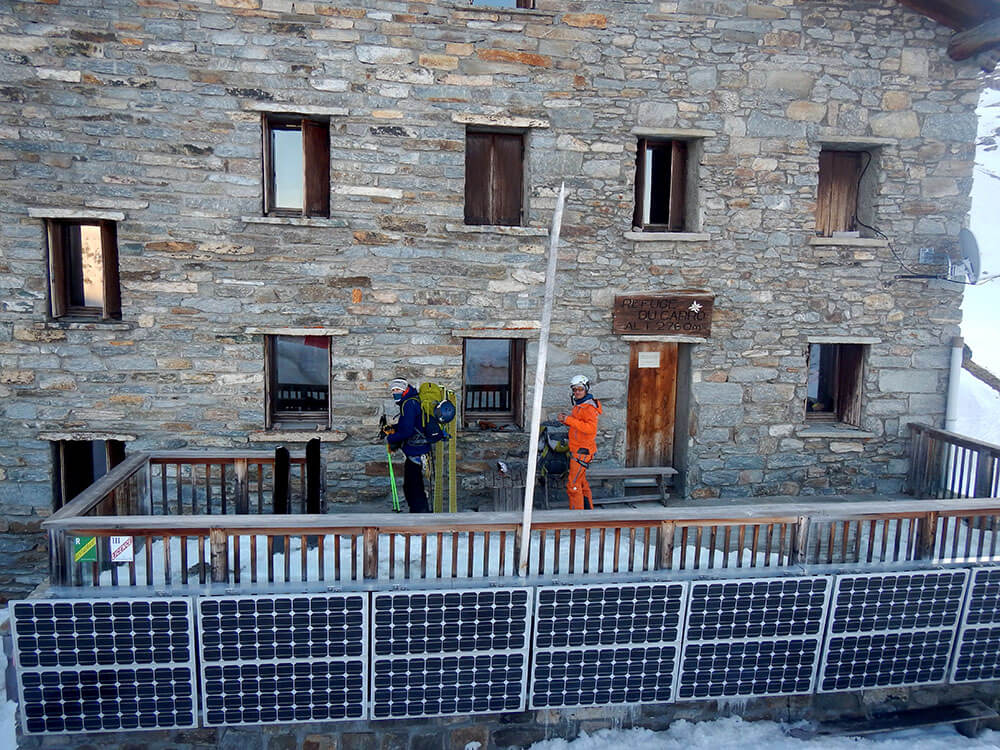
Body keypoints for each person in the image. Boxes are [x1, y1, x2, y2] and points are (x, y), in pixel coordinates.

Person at [385, 378, 431, 513]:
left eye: (398, 389)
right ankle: (419, 512)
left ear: (404, 389)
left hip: (416, 449)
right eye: (393, 390)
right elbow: (410, 424)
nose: (395, 392)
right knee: (413, 484)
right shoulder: (411, 400)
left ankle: (419, 515)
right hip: (418, 448)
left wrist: (391, 438)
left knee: (413, 486)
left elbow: (407, 431)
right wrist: (393, 427)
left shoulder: (408, 404)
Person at [557, 374, 602, 510]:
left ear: (586, 389)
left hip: (582, 451)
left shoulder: (588, 408)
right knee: (581, 483)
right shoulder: (580, 405)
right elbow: (579, 426)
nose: (577, 392)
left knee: (573, 485)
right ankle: (587, 513)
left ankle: (577, 516)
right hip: (579, 449)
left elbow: (590, 429)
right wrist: (566, 421)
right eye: (574, 389)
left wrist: (569, 420)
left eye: (580, 389)